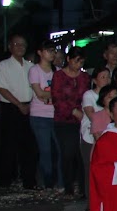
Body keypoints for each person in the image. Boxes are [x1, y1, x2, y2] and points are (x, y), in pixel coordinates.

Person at [0, 35, 38, 191]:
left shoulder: (30, 66)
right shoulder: (3, 65)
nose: (20, 47)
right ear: (10, 47)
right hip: (11, 108)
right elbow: (1, 88)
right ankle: (4, 181)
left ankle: (29, 180)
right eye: (17, 44)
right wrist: (19, 104)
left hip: (29, 107)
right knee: (8, 146)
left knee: (29, 146)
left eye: (23, 45)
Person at [52, 47, 90, 199]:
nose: (78, 64)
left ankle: (82, 188)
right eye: (76, 61)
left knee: (81, 154)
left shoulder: (85, 77)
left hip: (82, 120)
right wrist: (74, 111)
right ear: (69, 59)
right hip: (64, 120)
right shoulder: (59, 76)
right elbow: (57, 99)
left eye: (81, 61)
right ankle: (68, 187)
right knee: (68, 153)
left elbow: (87, 96)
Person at [28, 40, 61, 192]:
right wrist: (56, 95)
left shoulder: (58, 71)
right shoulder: (35, 70)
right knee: (45, 150)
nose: (52, 53)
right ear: (40, 52)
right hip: (40, 115)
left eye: (53, 50)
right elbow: (40, 94)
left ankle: (60, 181)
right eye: (48, 50)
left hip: (56, 115)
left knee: (60, 149)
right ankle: (47, 181)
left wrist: (52, 95)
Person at [80, 67, 111, 197]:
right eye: (103, 77)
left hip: (109, 135)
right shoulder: (89, 95)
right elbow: (91, 114)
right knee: (91, 168)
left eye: (108, 77)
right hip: (90, 134)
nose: (106, 80)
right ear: (95, 80)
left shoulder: (113, 94)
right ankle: (90, 200)